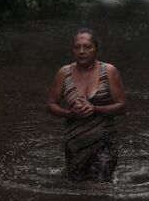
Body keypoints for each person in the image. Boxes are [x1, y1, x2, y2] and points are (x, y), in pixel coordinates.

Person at [46, 28, 126, 181]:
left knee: (98, 186)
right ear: (72, 50)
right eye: (77, 47)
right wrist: (70, 113)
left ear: (96, 49)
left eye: (87, 47)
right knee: (77, 189)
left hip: (104, 140)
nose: (82, 51)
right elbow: (50, 104)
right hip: (75, 142)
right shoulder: (64, 73)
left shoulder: (109, 71)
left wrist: (95, 109)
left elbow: (122, 106)